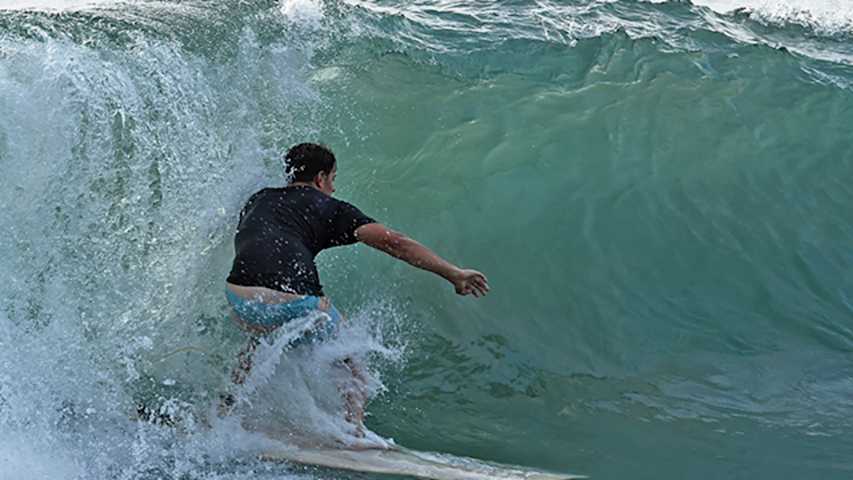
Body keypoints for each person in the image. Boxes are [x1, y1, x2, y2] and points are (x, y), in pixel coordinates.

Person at [222, 142, 489, 435]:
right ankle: (354, 431)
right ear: (321, 178)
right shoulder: (329, 207)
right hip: (293, 303)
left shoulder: (258, 198)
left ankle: (224, 411)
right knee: (351, 355)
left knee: (259, 341)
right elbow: (394, 241)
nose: (333, 189)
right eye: (333, 180)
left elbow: (259, 241)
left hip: (239, 298)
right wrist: (453, 273)